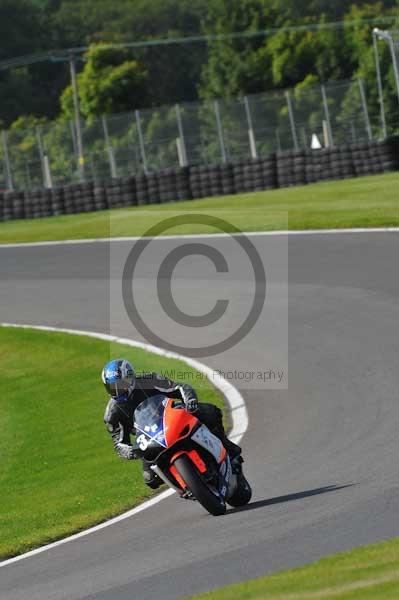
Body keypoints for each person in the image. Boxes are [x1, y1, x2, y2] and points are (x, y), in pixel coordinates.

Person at [102, 358, 242, 489]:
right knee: (150, 479)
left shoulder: (149, 380)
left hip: (171, 417)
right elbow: (118, 442)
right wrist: (129, 451)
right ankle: (185, 486)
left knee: (210, 412)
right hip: (149, 438)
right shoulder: (112, 413)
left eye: (121, 385)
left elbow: (179, 387)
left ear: (130, 378)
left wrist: (190, 401)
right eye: (112, 387)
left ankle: (229, 450)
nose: (118, 390)